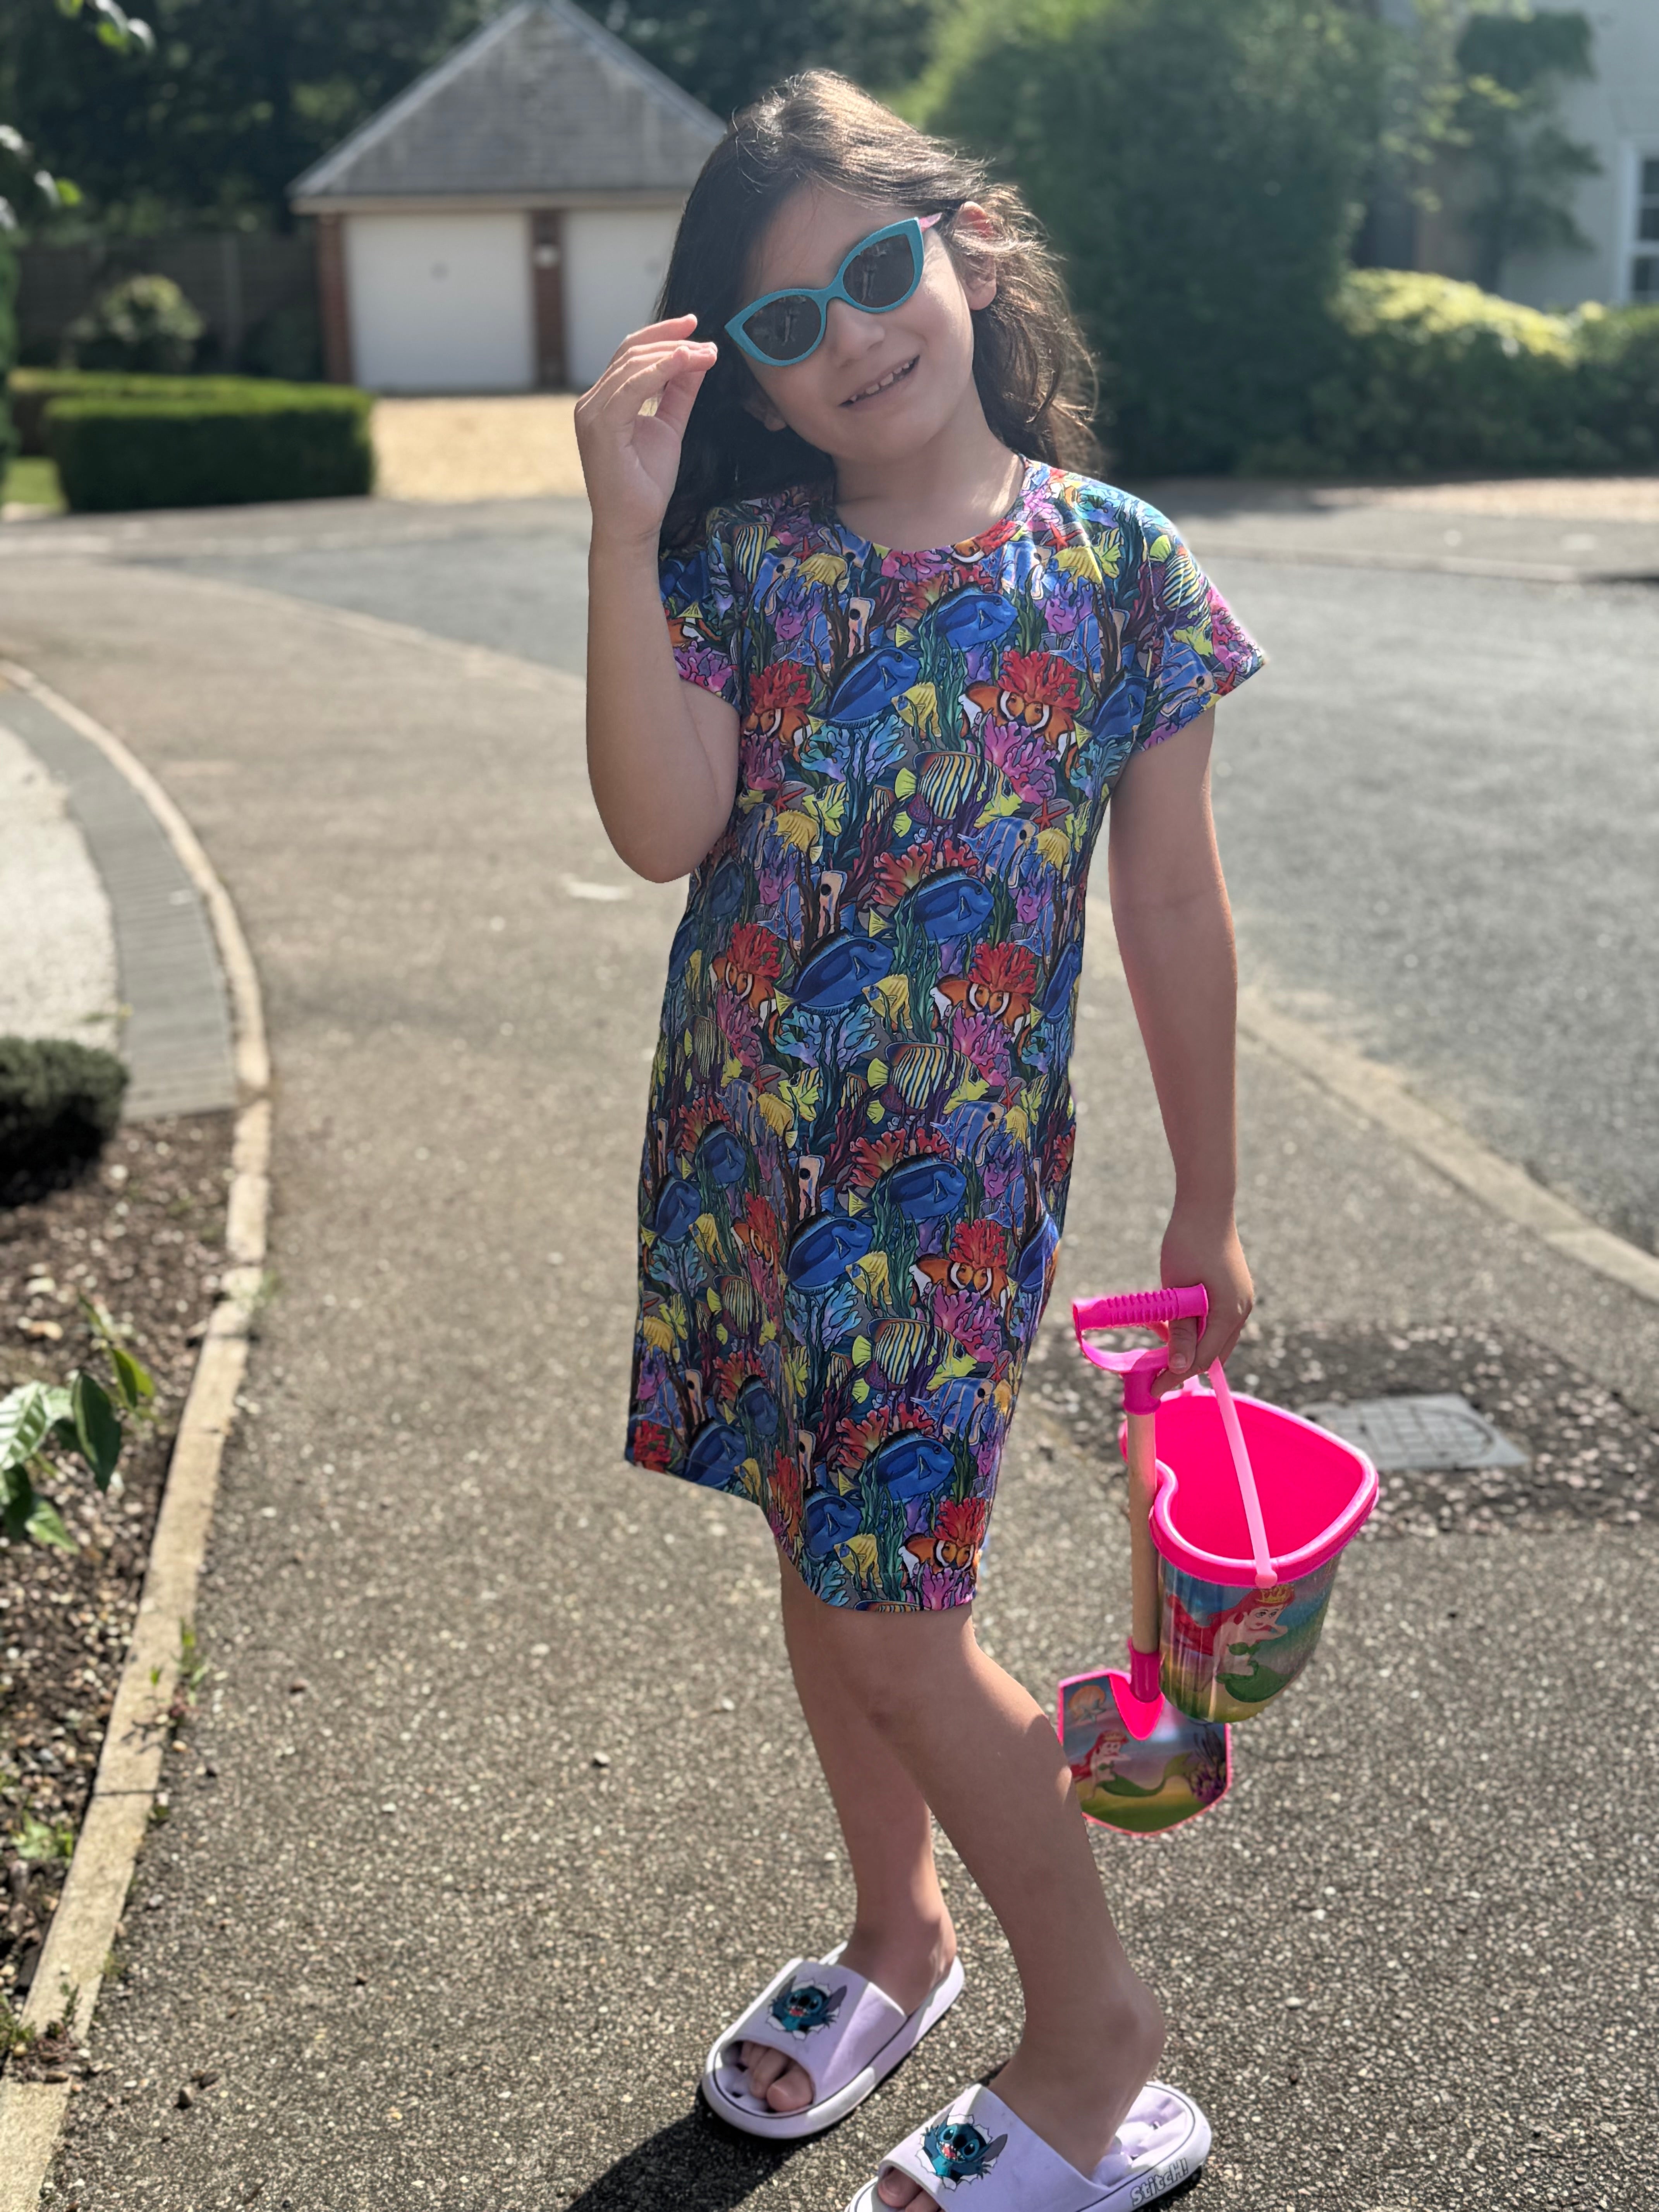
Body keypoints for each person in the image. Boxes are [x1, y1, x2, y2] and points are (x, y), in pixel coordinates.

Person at [576, 69, 1261, 2212]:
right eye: (785, 323)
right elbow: (656, 824)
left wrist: (1212, 1199)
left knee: (894, 1615)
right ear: (755, 387)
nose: (852, 332)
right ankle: (901, 1931)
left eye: (877, 271)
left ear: (965, 248)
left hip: (941, 1200)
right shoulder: (752, 567)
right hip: (744, 1169)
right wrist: (619, 526)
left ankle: (1100, 2045)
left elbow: (1168, 905)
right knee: (816, 1557)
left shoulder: (1118, 570)